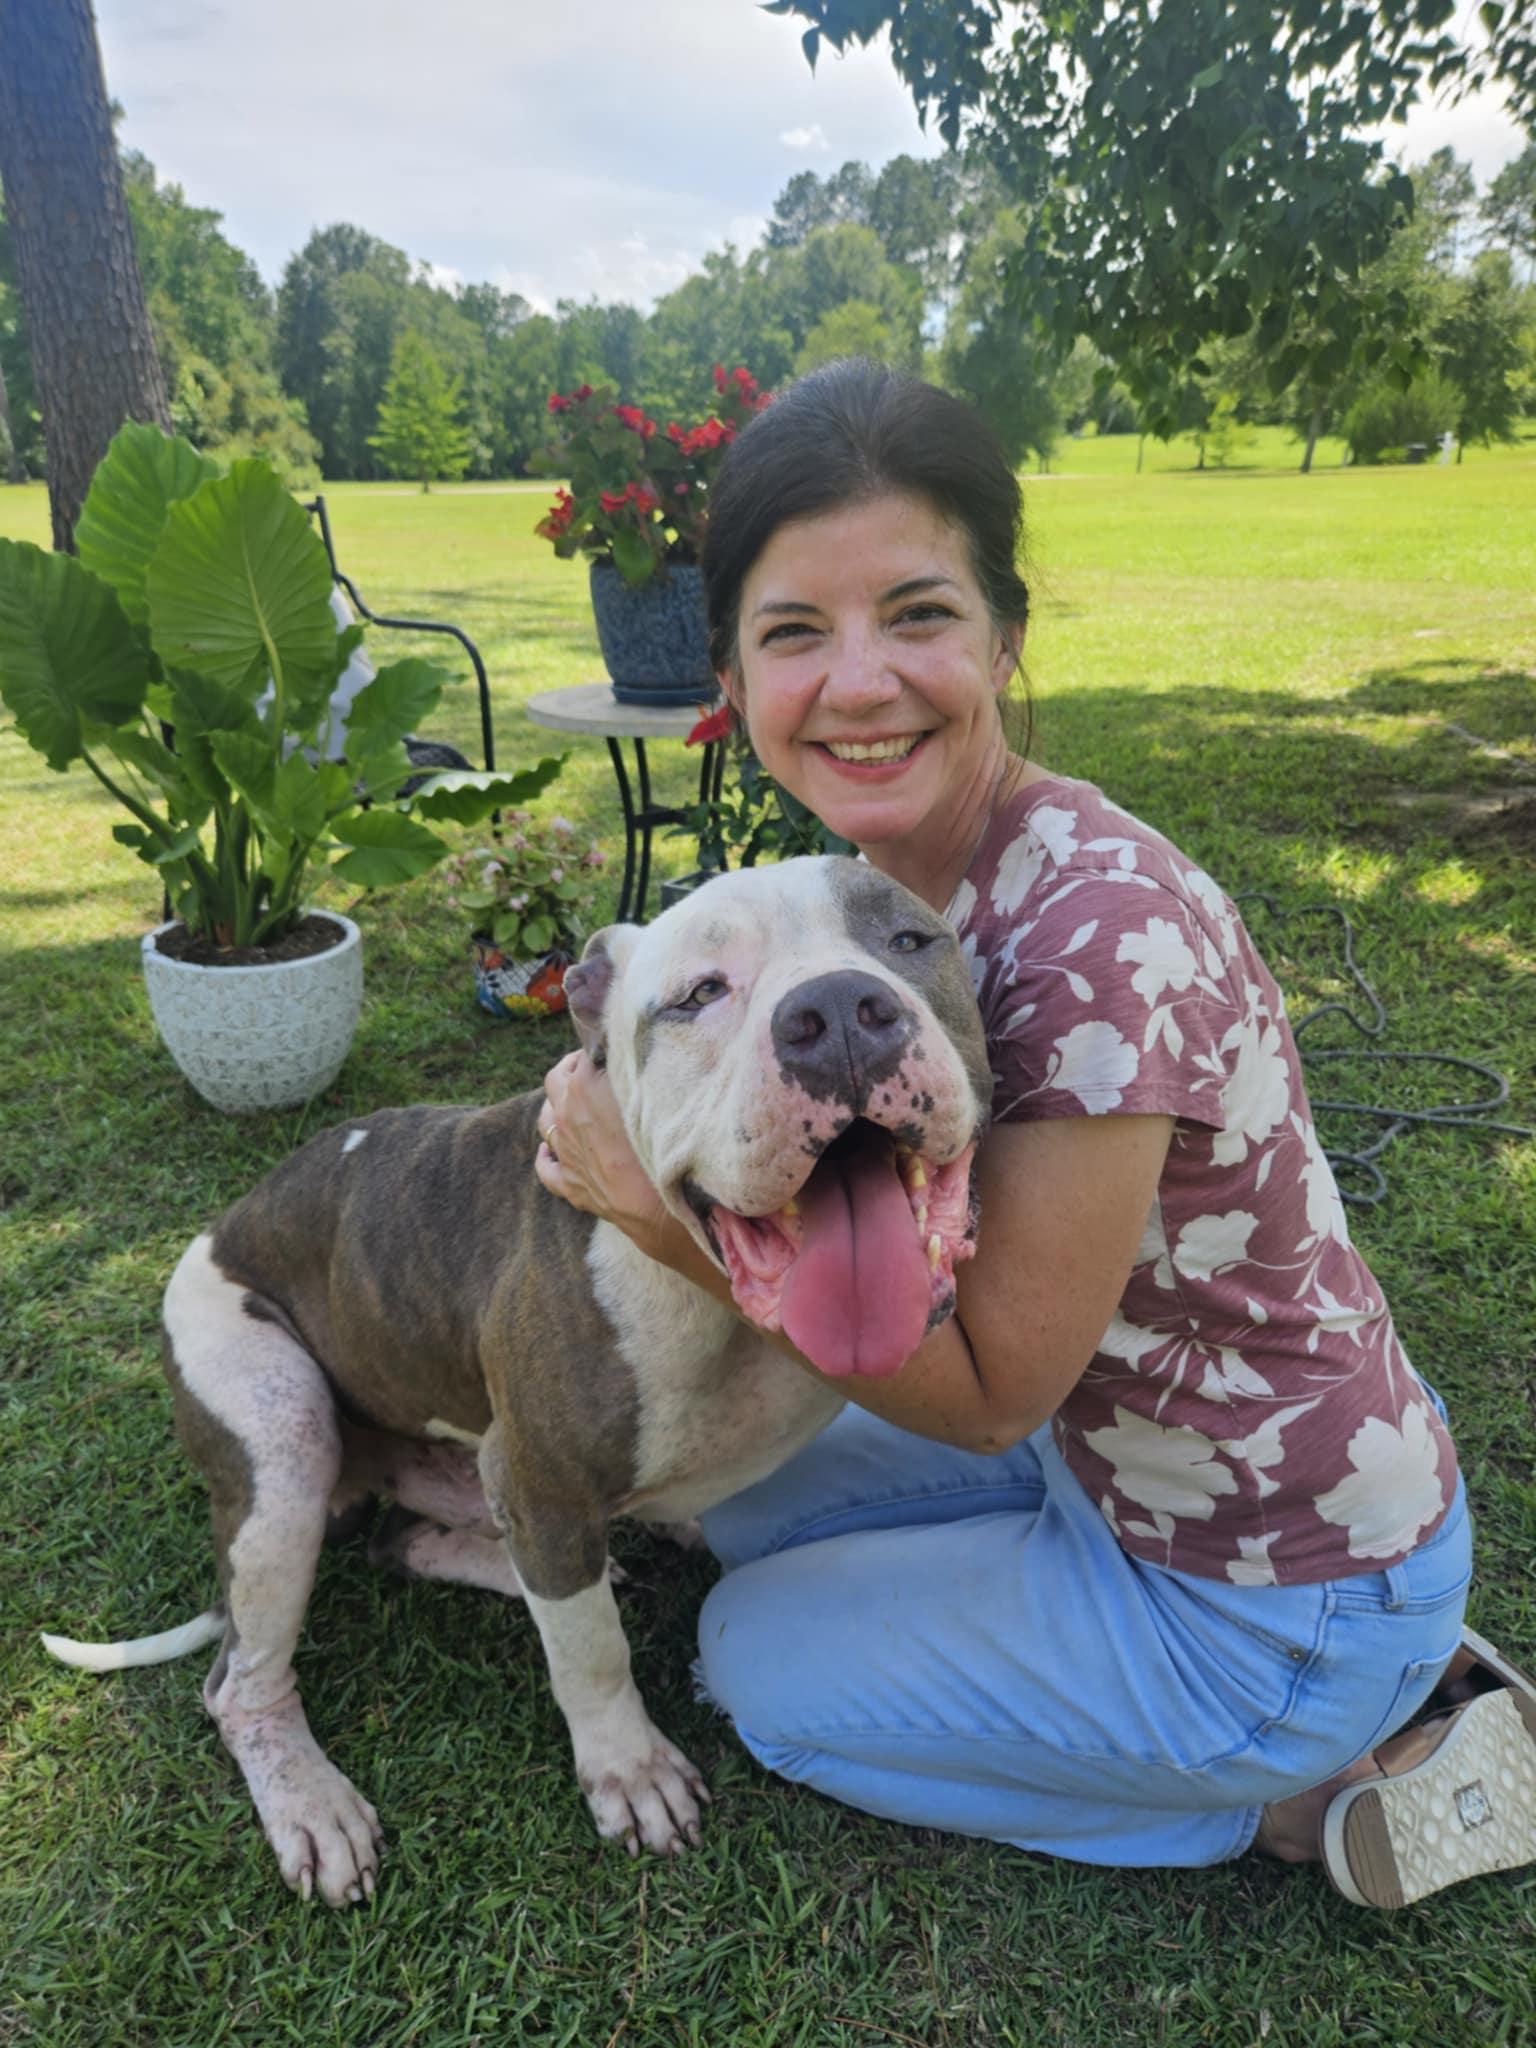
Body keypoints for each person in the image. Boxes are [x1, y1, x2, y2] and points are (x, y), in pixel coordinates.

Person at [534, 359, 1536, 1907]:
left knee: (748, 1668)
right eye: (797, 633)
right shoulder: (883, 892)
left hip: (1260, 1587)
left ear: (1006, 635)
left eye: (919, 616)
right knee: (730, 1504)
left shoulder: (1085, 945)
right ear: (731, 675)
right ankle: (1363, 1664)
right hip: (1128, 1460)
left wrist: (657, 1215)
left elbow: (994, 1391)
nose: (858, 684)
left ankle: (1309, 1782)